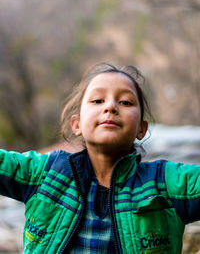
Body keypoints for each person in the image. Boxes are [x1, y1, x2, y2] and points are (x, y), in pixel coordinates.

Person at [0, 62, 200, 254]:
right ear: (76, 125)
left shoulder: (164, 183)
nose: (111, 107)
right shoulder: (45, 173)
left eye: (125, 102)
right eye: (97, 101)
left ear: (141, 128)